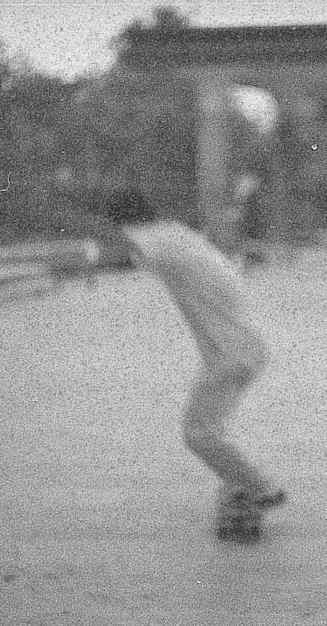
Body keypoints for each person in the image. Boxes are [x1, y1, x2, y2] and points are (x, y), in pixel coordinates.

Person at [111, 214, 286, 532]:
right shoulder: (181, 236)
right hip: (244, 349)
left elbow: (128, 252)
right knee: (212, 429)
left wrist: (97, 245)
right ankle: (240, 487)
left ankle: (260, 487)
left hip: (229, 357)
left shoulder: (161, 242)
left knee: (198, 433)